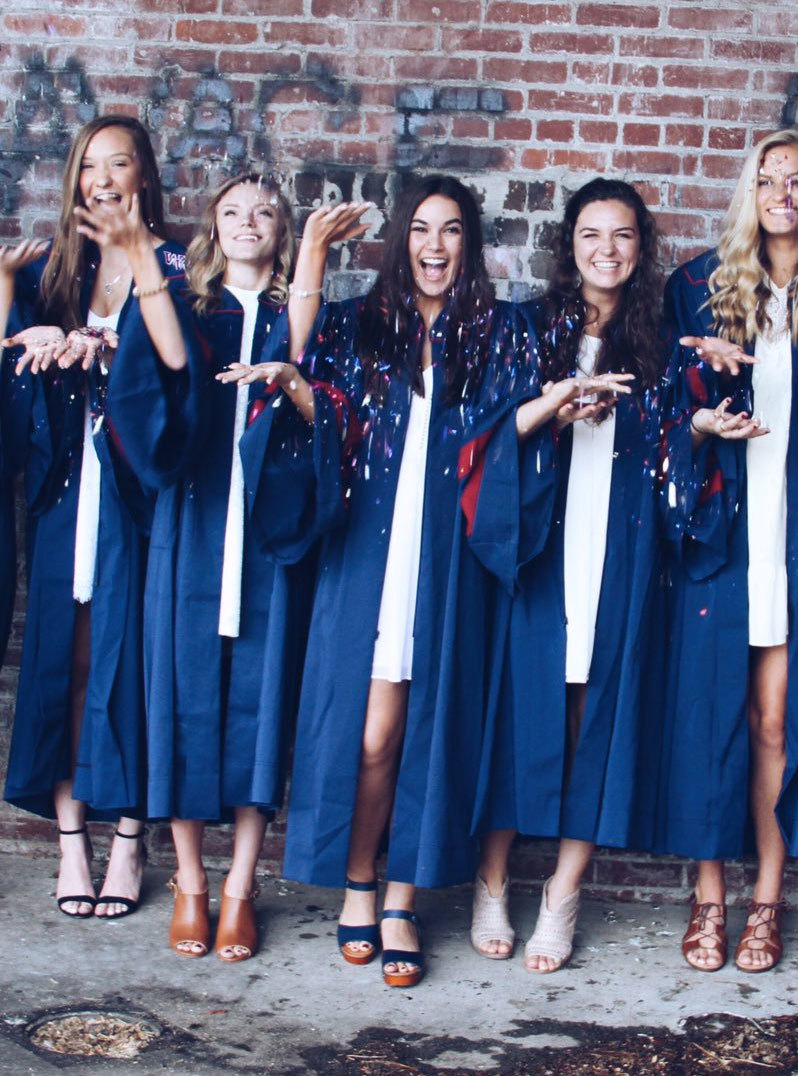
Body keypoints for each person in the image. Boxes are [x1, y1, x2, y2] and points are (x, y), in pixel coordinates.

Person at [233, 174, 533, 987]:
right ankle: (359, 878)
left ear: (470, 245)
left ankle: (399, 896)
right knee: (369, 736)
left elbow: (508, 437)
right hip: (368, 546)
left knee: (426, 730)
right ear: (402, 240)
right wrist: (310, 255)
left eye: (452, 230)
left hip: (446, 555)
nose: (436, 246)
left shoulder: (499, 333)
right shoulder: (359, 323)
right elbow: (300, 369)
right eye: (422, 229)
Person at [104, 171, 370, 962]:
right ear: (212, 228)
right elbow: (151, 387)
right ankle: (191, 882)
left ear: (282, 230)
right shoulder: (187, 308)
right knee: (180, 700)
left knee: (262, 706)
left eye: (264, 211)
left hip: (267, 535)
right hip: (192, 524)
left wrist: (315, 257)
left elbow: (304, 365)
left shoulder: (306, 310)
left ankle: (242, 888)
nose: (248, 221)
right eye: (231, 211)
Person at [462, 178, 665, 972]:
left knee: (594, 720)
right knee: (519, 712)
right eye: (590, 234)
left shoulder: (657, 341)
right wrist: (556, 405)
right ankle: (491, 880)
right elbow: (489, 434)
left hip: (617, 549)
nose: (606, 250)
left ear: (640, 247)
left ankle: (563, 891)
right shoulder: (526, 329)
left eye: (622, 235)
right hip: (541, 544)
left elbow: (674, 451)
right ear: (569, 245)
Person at [1, 115, 185, 919]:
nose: (103, 180)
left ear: (145, 175)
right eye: (90, 167)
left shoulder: (176, 264)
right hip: (65, 486)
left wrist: (110, 357)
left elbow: (183, 375)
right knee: (66, 664)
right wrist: (29, 327)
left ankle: (131, 839)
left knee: (134, 664)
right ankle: (72, 840)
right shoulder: (57, 270)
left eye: (120, 164)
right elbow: (15, 364)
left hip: (136, 493)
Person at [657, 128, 798, 972]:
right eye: (768, 180)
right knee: (712, 713)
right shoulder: (698, 287)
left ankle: (766, 899)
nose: (783, 195)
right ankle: (708, 896)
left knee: (774, 720)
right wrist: (698, 410)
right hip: (722, 524)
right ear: (748, 193)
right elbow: (659, 406)